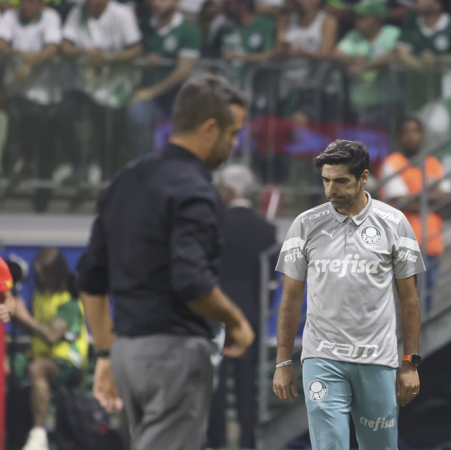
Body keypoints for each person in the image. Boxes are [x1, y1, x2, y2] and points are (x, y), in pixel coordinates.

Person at [77, 74, 255, 450]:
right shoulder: (195, 189)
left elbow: (91, 278)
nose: (233, 144)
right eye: (232, 133)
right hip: (174, 354)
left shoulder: (125, 180)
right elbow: (190, 280)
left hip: (127, 353)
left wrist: (106, 353)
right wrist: (236, 321)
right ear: (209, 128)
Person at [273, 140, 424, 449]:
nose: (331, 190)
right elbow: (289, 300)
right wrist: (282, 362)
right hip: (322, 360)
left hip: (377, 361)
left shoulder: (396, 224)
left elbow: (409, 300)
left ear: (363, 178)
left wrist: (409, 363)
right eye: (326, 180)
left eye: (341, 180)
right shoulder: (304, 225)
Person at [207, 164, 277, 450]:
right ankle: (249, 441)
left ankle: (217, 441)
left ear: (229, 190)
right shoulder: (266, 230)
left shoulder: (214, 225)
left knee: (216, 385)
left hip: (216, 313)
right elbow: (269, 280)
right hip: (250, 315)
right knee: (248, 383)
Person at [10, 248, 89, 450]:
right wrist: (15, 314)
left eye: (44, 274)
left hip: (67, 362)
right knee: (6, 367)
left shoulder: (69, 301)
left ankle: (39, 434)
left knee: (38, 369)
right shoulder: (39, 297)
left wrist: (26, 317)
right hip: (38, 356)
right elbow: (31, 328)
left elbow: (52, 335)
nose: (40, 278)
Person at [60, 0, 143, 183]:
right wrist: (83, 52)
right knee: (66, 112)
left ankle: (108, 174)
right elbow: (65, 47)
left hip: (113, 88)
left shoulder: (122, 15)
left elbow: (136, 49)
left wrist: (110, 58)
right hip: (84, 85)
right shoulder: (78, 13)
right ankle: (78, 165)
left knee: (108, 132)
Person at [378, 117, 451, 314]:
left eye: (415, 131)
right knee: (405, 305)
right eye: (406, 131)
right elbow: (400, 201)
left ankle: (421, 345)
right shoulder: (393, 164)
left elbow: (448, 196)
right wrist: (430, 194)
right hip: (403, 245)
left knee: (425, 303)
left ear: (422, 135)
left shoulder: (433, 164)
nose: (411, 136)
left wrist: (415, 198)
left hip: (431, 245)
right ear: (400, 137)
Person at [0, 0, 62, 210]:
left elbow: (52, 48)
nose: (27, 7)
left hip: (46, 94)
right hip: (18, 91)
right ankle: (23, 162)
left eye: (32, 2)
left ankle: (43, 193)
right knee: (26, 120)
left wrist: (30, 64)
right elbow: (2, 43)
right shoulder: (10, 18)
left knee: (45, 141)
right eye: (24, 2)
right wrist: (21, 55)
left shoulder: (51, 17)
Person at [127, 0, 202, 156]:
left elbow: (183, 71)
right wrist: (144, 58)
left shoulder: (189, 30)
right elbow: (130, 55)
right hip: (147, 99)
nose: (156, 3)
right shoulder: (141, 26)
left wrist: (151, 92)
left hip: (178, 100)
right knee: (136, 114)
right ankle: (146, 164)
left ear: (176, 2)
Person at [334, 0, 400, 127]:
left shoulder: (391, 33)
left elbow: (397, 54)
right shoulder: (354, 36)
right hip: (361, 105)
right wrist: (353, 60)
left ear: (376, 18)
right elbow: (337, 54)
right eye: (356, 17)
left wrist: (367, 65)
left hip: (388, 103)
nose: (357, 21)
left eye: (363, 17)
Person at [396, 0, 451, 71]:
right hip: (415, 79)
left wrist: (436, 59)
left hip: (446, 80)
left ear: (437, 5)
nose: (418, 1)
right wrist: (421, 66)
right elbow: (401, 53)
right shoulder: (411, 21)